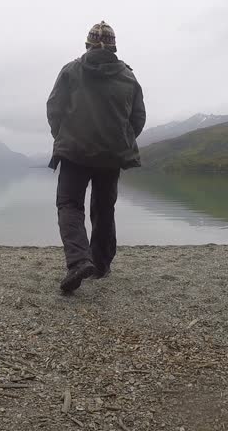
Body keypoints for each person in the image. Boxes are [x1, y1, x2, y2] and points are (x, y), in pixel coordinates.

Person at [46, 21, 147, 293]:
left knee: (69, 205)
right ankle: (100, 265)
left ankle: (79, 261)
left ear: (88, 44)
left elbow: (54, 108)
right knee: (104, 209)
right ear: (114, 46)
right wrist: (119, 140)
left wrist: (63, 136)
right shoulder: (128, 77)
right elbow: (137, 118)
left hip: (74, 153)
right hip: (111, 156)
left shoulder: (71, 71)